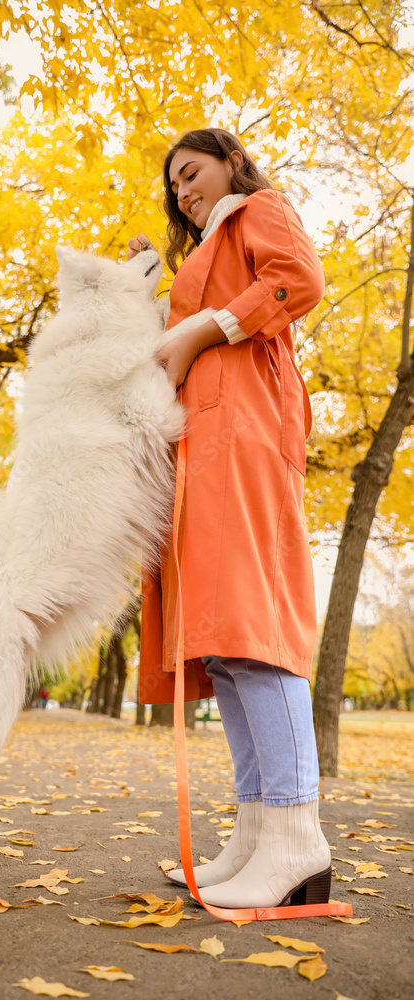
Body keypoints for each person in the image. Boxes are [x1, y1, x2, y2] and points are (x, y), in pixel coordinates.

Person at [129, 128, 332, 909]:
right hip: (202, 450)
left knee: (250, 629)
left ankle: (293, 837)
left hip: (243, 439)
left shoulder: (258, 211)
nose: (183, 190)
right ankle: (256, 832)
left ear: (230, 164)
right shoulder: (205, 250)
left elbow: (299, 280)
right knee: (219, 642)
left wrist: (196, 328)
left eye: (193, 172)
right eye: (173, 184)